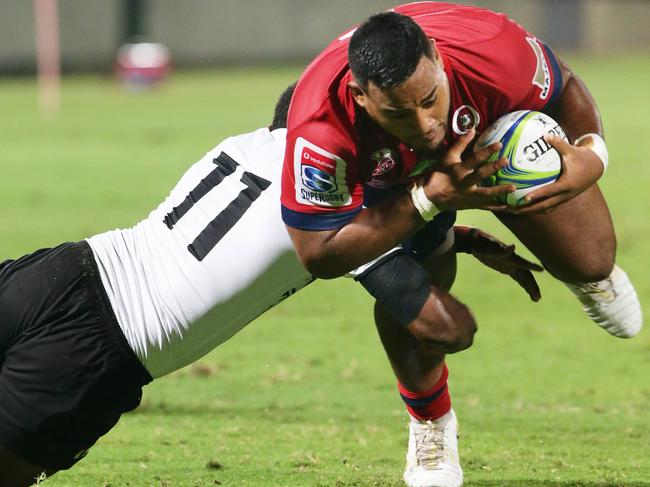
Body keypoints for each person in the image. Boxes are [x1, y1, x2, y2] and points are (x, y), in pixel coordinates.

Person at [0, 85, 541, 487]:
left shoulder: (246, 144)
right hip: (97, 349)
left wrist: (457, 237)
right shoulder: (321, 201)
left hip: (59, 274)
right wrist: (439, 202)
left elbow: (248, 232)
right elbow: (446, 330)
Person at [280, 3, 643, 487]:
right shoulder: (322, 127)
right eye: (399, 112)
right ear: (360, 97)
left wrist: (593, 153)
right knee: (440, 327)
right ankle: (430, 426)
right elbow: (319, 254)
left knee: (591, 260)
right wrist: (430, 201)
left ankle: (584, 277)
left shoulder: (490, 50)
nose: (426, 123)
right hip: (380, 190)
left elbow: (565, 86)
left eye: (430, 98)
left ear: (436, 57)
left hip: (478, 140)